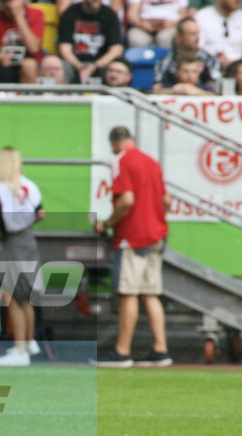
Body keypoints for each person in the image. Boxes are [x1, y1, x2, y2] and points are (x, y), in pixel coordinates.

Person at [92, 127, 171, 368]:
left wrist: (106, 224)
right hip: (156, 234)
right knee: (150, 294)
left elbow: (126, 199)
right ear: (132, 140)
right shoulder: (151, 162)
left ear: (114, 143)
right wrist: (156, 220)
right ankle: (160, 349)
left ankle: (122, 351)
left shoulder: (120, 161)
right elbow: (166, 200)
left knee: (129, 293)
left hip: (132, 236)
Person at [0, 147, 44, 367]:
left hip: (13, 244)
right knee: (25, 297)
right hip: (28, 241)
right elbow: (41, 214)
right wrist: (24, 223)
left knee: (13, 297)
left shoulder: (2, 189)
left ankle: (20, 351)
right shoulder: (29, 186)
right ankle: (29, 343)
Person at [57, 0, 125, 84]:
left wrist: (95, 66)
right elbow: (64, 49)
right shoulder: (70, 13)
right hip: (74, 63)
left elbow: (117, 49)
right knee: (57, 66)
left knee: (115, 69)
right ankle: (62, 95)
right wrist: (79, 66)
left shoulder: (110, 15)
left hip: (101, 64)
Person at [152, 18, 221, 94]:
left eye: (198, 33)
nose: (197, 38)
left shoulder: (210, 60)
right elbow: (155, 89)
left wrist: (196, 92)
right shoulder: (165, 61)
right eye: (192, 34)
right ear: (179, 36)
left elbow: (216, 91)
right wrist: (175, 91)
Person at [0, 0, 44, 85]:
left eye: (11, 1)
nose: (8, 5)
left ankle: (30, 97)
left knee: (29, 65)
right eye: (4, 2)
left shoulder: (36, 14)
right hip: (4, 63)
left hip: (31, 62)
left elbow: (34, 48)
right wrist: (1, 57)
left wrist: (19, 17)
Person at [195, 0, 242, 72]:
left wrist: (234, 63)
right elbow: (198, 48)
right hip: (209, 68)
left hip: (239, 70)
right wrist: (214, 60)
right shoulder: (202, 17)